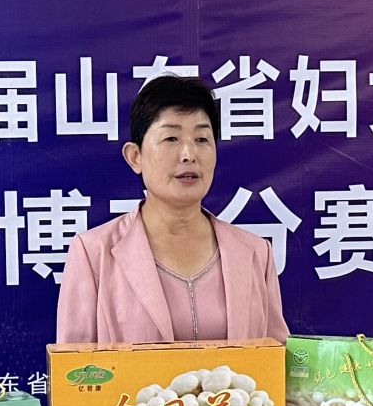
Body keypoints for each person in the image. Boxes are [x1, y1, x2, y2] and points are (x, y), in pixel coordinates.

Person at [56, 75, 289, 344]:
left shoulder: (255, 253)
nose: (189, 154)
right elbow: (72, 365)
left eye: (202, 139)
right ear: (135, 156)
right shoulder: (93, 253)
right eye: (171, 138)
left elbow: (276, 357)